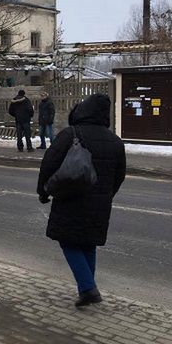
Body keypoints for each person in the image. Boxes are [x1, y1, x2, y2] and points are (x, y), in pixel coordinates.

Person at [37, 94, 126, 307]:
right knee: (88, 243)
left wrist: (43, 191)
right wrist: (106, 195)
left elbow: (49, 163)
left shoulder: (70, 134)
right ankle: (87, 289)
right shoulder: (115, 141)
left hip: (70, 198)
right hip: (100, 204)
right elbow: (119, 175)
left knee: (68, 241)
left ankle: (88, 288)